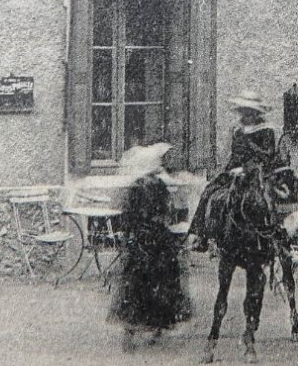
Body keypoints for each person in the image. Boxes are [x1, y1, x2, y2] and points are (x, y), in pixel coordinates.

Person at [110, 143, 193, 351]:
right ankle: (154, 326)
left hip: (140, 240)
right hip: (157, 239)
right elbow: (169, 213)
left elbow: (126, 216)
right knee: (161, 280)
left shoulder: (137, 186)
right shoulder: (157, 185)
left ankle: (132, 332)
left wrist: (128, 234)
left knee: (135, 285)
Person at [189, 90, 278, 252]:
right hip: (234, 170)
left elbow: (268, 156)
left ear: (257, 112)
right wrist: (228, 169)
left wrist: (246, 166)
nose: (246, 114)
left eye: (250, 111)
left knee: (267, 200)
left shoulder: (266, 130)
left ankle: (273, 234)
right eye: (244, 110)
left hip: (258, 171)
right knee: (209, 191)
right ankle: (203, 235)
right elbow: (234, 153)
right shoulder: (237, 130)